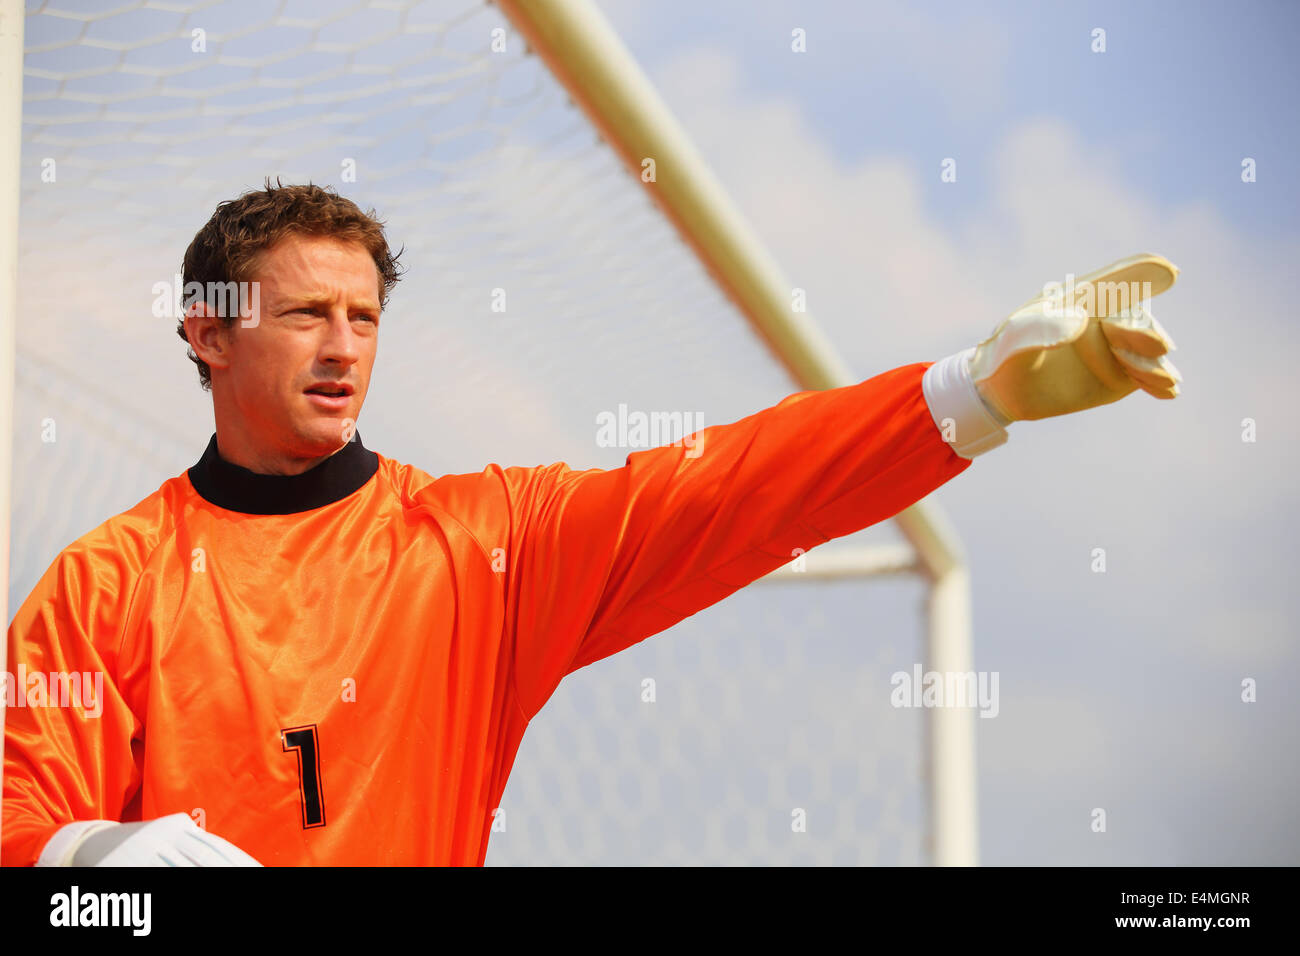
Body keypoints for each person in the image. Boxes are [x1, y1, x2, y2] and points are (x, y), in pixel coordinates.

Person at [1, 182, 1181, 866]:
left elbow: (724, 486)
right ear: (207, 332)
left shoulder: (477, 543)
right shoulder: (104, 582)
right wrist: (95, 863)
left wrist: (967, 391)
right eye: (306, 311)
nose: (345, 344)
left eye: (364, 314)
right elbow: (20, 814)